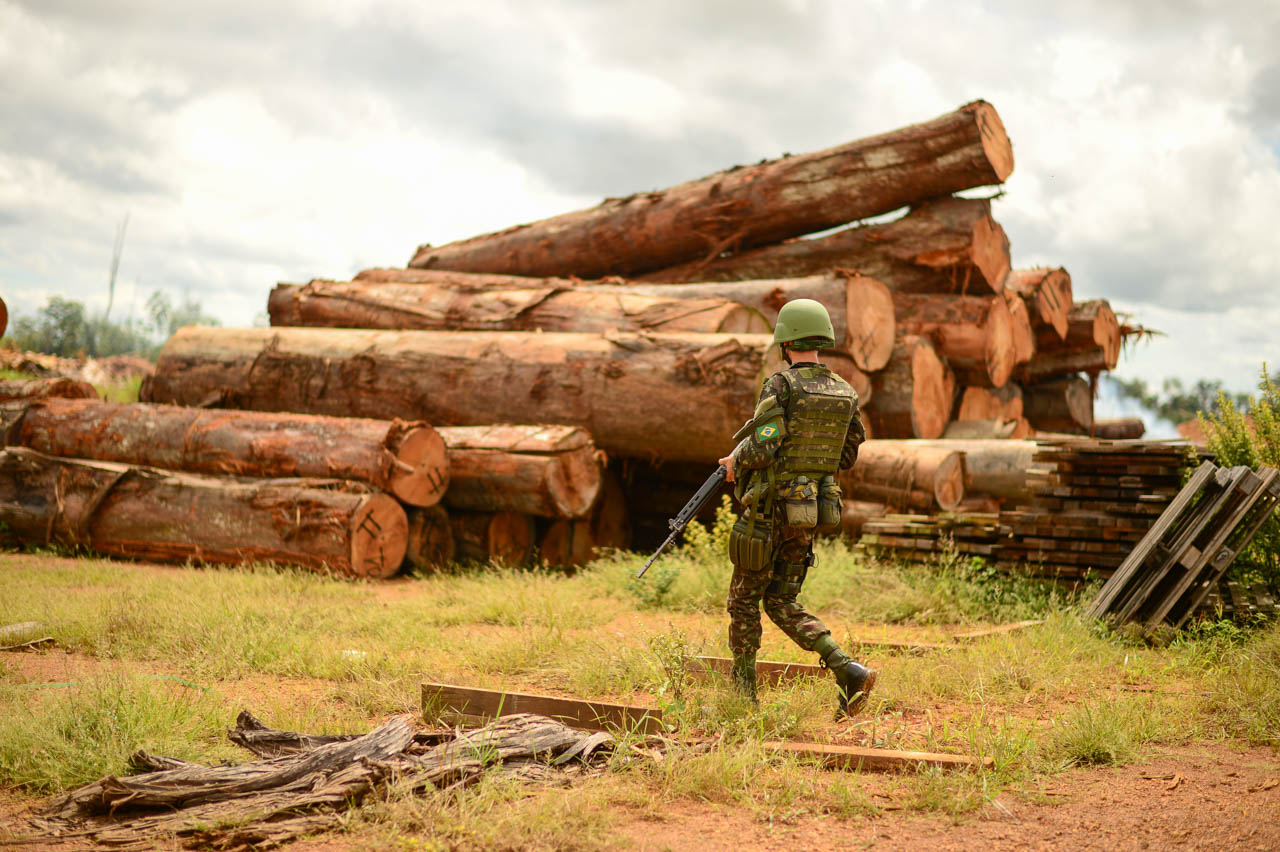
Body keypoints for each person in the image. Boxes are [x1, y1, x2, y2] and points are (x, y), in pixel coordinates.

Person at [717, 298, 876, 717]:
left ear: (786, 342)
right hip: (807, 513)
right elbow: (849, 454)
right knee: (782, 600)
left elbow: (765, 442)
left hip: (769, 510)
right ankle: (847, 669)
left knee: (744, 601)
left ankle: (744, 694)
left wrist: (737, 460)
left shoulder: (782, 386)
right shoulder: (846, 391)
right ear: (821, 339)